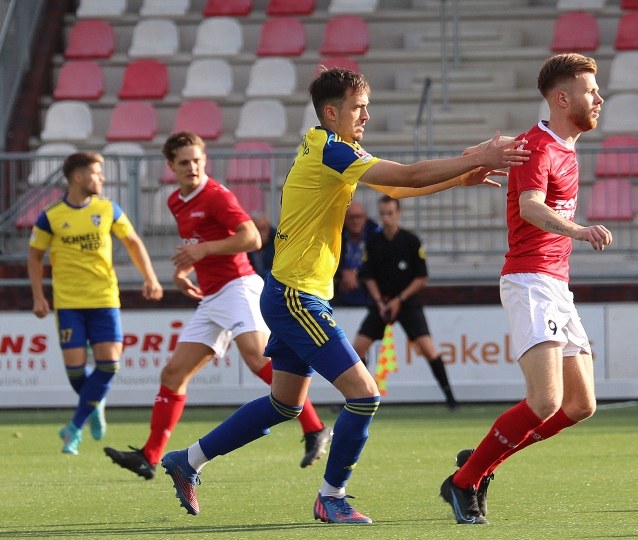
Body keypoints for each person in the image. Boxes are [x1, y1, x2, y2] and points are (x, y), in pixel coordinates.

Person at [159, 67, 529, 524]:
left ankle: (188, 459)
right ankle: (331, 496)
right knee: (364, 395)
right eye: (359, 107)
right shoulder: (331, 150)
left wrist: (460, 177)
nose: (367, 115)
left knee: (284, 403)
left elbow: (396, 185)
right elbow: (408, 175)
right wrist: (481, 155)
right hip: (297, 296)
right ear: (331, 112)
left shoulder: (334, 148)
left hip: (292, 291)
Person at [439, 53, 613, 524]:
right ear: (562, 98)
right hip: (530, 280)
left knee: (580, 405)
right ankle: (463, 482)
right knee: (545, 401)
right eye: (590, 89)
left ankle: (477, 465)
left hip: (555, 283)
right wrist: (577, 230)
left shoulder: (563, 146)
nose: (599, 97)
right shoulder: (538, 146)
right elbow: (531, 206)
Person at [103, 132, 332, 480]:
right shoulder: (175, 201)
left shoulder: (216, 195)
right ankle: (149, 457)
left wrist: (202, 252)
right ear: (171, 167)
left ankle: (314, 428)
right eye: (184, 162)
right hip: (212, 297)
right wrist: (184, 270)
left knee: (257, 359)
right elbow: (198, 244)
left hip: (239, 287)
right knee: (172, 374)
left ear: (204, 160)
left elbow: (252, 238)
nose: (192, 167)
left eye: (197, 160)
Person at [27, 151, 164, 455]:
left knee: (109, 366)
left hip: (104, 299)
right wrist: (38, 295)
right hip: (69, 304)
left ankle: (74, 428)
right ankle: (95, 403)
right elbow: (35, 256)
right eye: (97, 173)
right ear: (78, 177)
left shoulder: (108, 209)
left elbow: (132, 242)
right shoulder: (51, 216)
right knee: (77, 374)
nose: (102, 178)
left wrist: (150, 277)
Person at [352, 195, 458, 409]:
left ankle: (450, 397)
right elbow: (368, 276)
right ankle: (358, 396)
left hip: (407, 302)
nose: (386, 218)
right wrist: (380, 302)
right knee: (357, 349)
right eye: (383, 214)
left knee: (428, 348)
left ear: (398, 213)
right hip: (382, 303)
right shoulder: (373, 241)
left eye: (390, 213)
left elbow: (421, 278)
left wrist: (400, 299)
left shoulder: (411, 241)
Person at [333, 201, 378, 306]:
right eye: (351, 217)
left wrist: (356, 272)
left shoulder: (375, 234)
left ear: (365, 218)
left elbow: (378, 262)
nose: (355, 221)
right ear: (344, 219)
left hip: (368, 289)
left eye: (359, 217)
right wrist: (343, 272)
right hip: (340, 287)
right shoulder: (336, 234)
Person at [248, 213, 276, 279]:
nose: (262, 233)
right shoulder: (247, 244)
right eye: (258, 229)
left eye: (264, 229)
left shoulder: (277, 242)